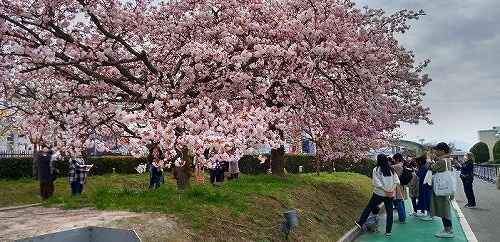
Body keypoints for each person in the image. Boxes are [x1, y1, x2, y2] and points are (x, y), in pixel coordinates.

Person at [355, 154, 399, 236]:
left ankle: (360, 223)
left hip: (379, 193)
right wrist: (390, 191)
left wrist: (386, 191)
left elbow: (377, 183)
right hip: (390, 195)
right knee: (390, 212)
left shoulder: (376, 170)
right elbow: (396, 181)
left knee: (369, 207)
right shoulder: (392, 170)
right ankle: (388, 231)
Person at [427, 142, 454, 238]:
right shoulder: (447, 160)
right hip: (444, 187)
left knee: (443, 208)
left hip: (441, 188)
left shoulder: (443, 161)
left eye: (437, 150)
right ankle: (447, 228)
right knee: (443, 207)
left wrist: (428, 159)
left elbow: (431, 168)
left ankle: (448, 230)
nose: (436, 152)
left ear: (442, 151)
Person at [391, 153, 408, 224]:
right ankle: (403, 217)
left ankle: (402, 219)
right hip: (402, 185)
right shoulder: (403, 165)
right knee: (401, 201)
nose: (393, 160)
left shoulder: (396, 166)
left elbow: (388, 169)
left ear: (397, 159)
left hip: (398, 186)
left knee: (398, 201)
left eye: (394, 159)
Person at [415, 155, 433, 220]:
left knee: (427, 199)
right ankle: (427, 213)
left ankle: (429, 215)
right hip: (425, 185)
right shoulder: (426, 166)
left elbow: (420, 174)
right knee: (425, 198)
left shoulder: (424, 167)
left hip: (425, 185)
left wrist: (416, 171)